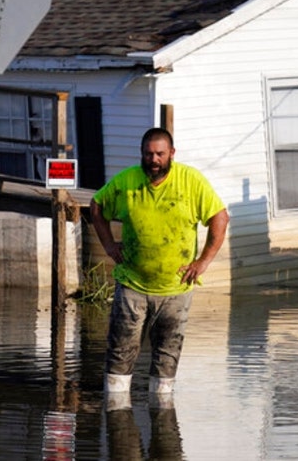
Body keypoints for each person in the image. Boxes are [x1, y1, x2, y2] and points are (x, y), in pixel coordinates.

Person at [89, 127, 229, 400]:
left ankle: (163, 421)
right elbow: (96, 206)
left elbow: (220, 217)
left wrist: (203, 262)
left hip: (176, 287)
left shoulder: (191, 181)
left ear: (172, 154)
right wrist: (108, 245)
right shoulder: (127, 181)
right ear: (141, 154)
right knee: (120, 354)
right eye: (148, 154)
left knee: (166, 358)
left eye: (160, 154)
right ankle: (118, 416)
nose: (154, 160)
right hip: (132, 284)